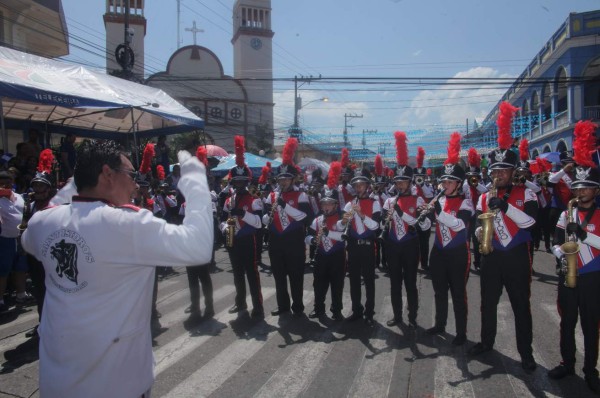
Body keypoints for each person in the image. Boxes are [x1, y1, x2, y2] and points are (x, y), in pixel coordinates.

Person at [20, 140, 213, 398]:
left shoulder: (43, 222)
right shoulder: (127, 225)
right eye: (131, 174)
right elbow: (199, 247)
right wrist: (197, 184)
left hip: (57, 385)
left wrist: (68, 192)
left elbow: (28, 242)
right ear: (108, 174)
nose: (135, 184)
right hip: (117, 386)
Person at [468, 102, 538, 373]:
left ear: (512, 172)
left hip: (517, 257)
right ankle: (487, 342)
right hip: (492, 256)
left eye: (503, 171)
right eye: (494, 171)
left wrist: (506, 207)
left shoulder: (526, 193)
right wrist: (479, 233)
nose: (497, 175)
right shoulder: (484, 196)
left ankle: (526, 353)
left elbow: (530, 224)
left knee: (521, 305)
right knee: (488, 302)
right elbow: (476, 225)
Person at [547, 120, 600, 394]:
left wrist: (582, 234)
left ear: (596, 190)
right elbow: (556, 241)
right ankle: (567, 363)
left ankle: (590, 370)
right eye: (577, 188)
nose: (580, 192)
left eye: (586, 188)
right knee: (567, 322)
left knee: (591, 326)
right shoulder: (566, 211)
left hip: (592, 277)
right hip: (568, 275)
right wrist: (559, 255)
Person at [426, 133, 473, 346]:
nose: (445, 184)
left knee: (457, 292)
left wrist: (437, 211)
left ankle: (461, 331)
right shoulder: (440, 200)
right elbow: (429, 226)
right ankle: (440, 323)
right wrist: (424, 219)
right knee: (439, 290)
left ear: (458, 183)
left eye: (450, 181)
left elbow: (458, 225)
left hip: (457, 253)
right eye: (444, 180)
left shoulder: (466, 203)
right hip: (438, 251)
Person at [383, 136, 430, 328]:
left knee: (410, 283)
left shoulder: (418, 201)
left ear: (410, 182)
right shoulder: (388, 201)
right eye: (398, 181)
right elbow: (382, 226)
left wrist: (401, 212)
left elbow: (423, 226)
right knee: (395, 283)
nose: (400, 185)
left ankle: (412, 315)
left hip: (410, 245)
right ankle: (397, 316)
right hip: (393, 246)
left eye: (403, 182)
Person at [263, 138, 310, 316]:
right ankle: (283, 305)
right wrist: (268, 216)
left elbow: (304, 217)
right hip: (276, 240)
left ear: (292, 180)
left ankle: (297, 306)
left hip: (294, 240)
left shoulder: (301, 195)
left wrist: (285, 205)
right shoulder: (272, 196)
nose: (282, 182)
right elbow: (265, 219)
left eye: (286, 179)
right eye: (280, 179)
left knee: (295, 275)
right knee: (279, 275)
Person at [221, 136, 264, 318]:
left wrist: (242, 214)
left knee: (252, 274)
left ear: (246, 182)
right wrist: (225, 227)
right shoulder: (228, 200)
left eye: (241, 181)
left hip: (248, 240)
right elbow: (222, 219)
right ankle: (240, 303)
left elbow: (259, 223)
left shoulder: (254, 200)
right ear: (232, 182)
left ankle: (258, 307)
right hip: (233, 239)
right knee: (237, 274)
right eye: (236, 182)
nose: (239, 184)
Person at [339, 164, 381, 326]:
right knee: (354, 280)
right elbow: (341, 226)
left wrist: (362, 215)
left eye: (361, 184)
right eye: (356, 185)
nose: (358, 187)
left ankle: (369, 311)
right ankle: (357, 310)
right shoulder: (349, 204)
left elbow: (376, 227)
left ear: (367, 186)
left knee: (369, 280)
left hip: (368, 245)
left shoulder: (375, 202)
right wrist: (344, 220)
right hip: (354, 246)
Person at [305, 162, 345, 321]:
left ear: (336, 204)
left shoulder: (342, 219)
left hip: (337, 255)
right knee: (318, 284)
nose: (326, 206)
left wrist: (329, 233)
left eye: (330, 204)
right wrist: (313, 240)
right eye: (324, 204)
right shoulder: (317, 219)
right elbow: (307, 236)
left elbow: (344, 237)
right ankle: (318, 308)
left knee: (337, 284)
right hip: (321, 255)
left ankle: (336, 310)